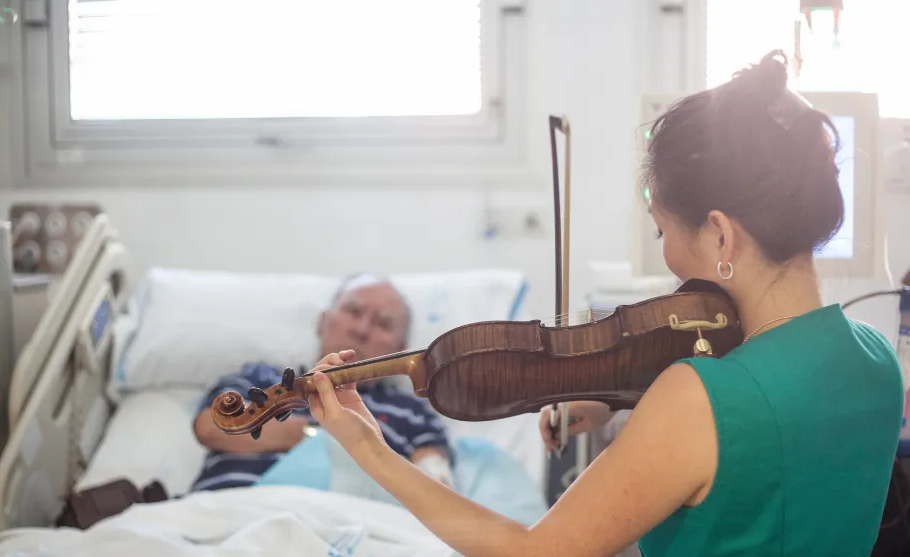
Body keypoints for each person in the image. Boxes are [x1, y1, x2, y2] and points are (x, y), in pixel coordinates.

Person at [304, 50, 904, 557]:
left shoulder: (695, 398)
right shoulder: (877, 362)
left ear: (720, 236)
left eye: (662, 230)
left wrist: (370, 450)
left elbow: (533, 552)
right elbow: (768, 431)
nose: (667, 254)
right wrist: (619, 397)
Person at [190, 273, 453, 492]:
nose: (361, 329)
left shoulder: (412, 413)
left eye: (383, 324)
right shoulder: (260, 378)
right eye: (353, 311)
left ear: (400, 348)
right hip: (229, 518)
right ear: (322, 321)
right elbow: (212, 428)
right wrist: (330, 437)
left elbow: (437, 487)